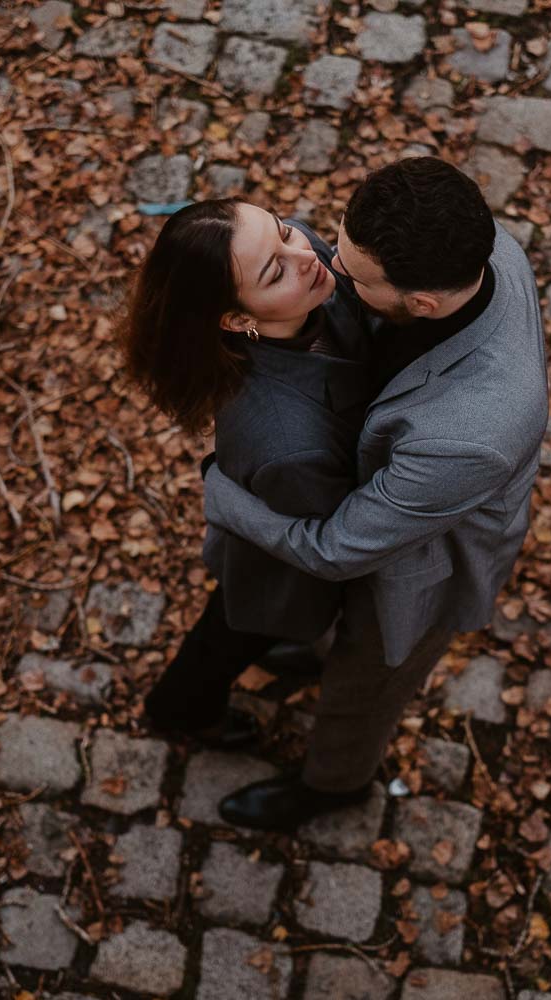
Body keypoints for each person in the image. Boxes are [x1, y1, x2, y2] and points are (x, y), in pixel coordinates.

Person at [202, 157, 550, 831]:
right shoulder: (472, 243)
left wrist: (225, 495)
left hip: (422, 564)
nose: (330, 275)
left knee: (366, 682)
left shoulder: (469, 433)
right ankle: (310, 649)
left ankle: (334, 783)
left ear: (419, 304)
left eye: (353, 279)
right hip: (392, 486)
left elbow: (338, 550)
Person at [123, 197, 372, 749]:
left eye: (283, 230)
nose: (303, 253)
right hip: (279, 569)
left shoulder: (302, 263)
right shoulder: (288, 443)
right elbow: (332, 530)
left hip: (275, 528)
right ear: (238, 319)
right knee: (234, 635)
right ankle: (180, 712)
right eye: (274, 269)